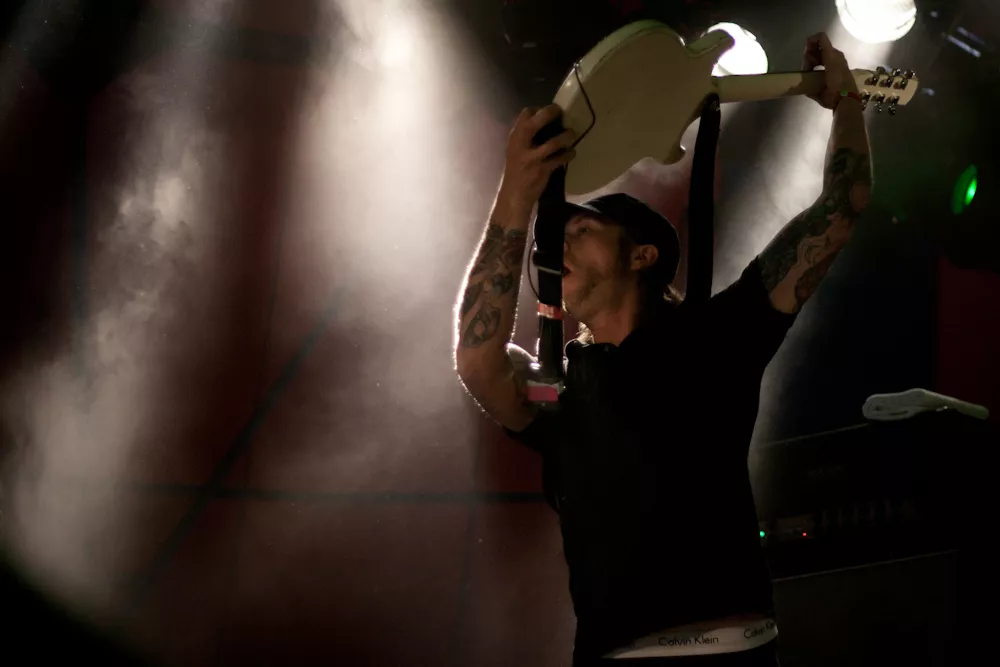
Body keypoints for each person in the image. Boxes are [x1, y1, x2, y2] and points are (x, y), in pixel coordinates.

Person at [453, 33, 871, 666]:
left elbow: (841, 208)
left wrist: (847, 103)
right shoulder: (557, 389)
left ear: (641, 255)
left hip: (734, 652)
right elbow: (478, 361)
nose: (559, 246)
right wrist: (515, 194)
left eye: (583, 230)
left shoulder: (719, 335)